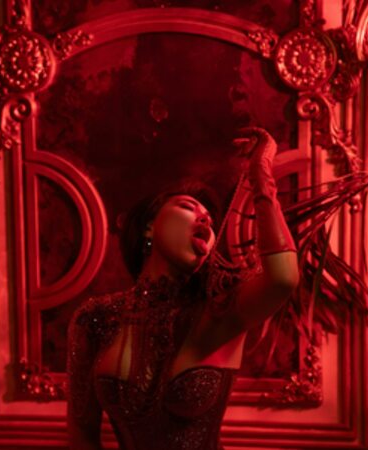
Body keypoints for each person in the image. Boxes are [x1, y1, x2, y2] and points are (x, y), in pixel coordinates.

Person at [67, 127, 299, 450]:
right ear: (149, 226)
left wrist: (261, 173)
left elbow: (283, 279)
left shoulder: (219, 312)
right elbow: (82, 436)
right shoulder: (95, 319)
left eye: (210, 220)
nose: (205, 220)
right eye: (189, 207)